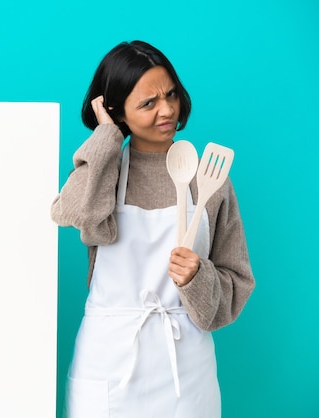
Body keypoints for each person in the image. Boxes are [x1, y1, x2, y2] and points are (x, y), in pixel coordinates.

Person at [51, 40, 255, 418]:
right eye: (148, 103)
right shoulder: (103, 173)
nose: (167, 110)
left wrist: (199, 276)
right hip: (110, 362)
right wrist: (106, 138)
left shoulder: (209, 179)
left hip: (185, 367)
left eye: (171, 94)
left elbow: (238, 282)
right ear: (117, 112)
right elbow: (71, 212)